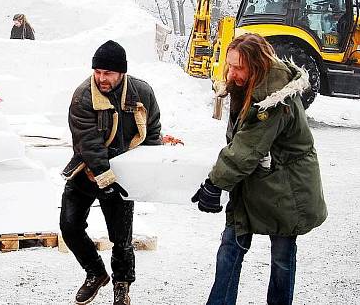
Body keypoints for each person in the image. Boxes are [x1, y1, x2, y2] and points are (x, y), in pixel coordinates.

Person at [191, 33, 327, 305]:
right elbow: (242, 145)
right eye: (229, 65)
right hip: (255, 180)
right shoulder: (246, 85)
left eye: (238, 67)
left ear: (257, 65)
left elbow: (247, 147)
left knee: (282, 256)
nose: (231, 73)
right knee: (230, 247)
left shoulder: (274, 99)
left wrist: (214, 183)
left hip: (288, 186)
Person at [60, 40, 162, 305]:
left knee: (121, 238)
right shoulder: (83, 95)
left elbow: (152, 132)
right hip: (87, 170)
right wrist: (103, 177)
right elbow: (88, 142)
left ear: (121, 73)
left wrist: (147, 168)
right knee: (69, 227)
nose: (101, 78)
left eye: (108, 73)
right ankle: (95, 273)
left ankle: (122, 285)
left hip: (125, 172)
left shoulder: (142, 93)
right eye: (97, 72)